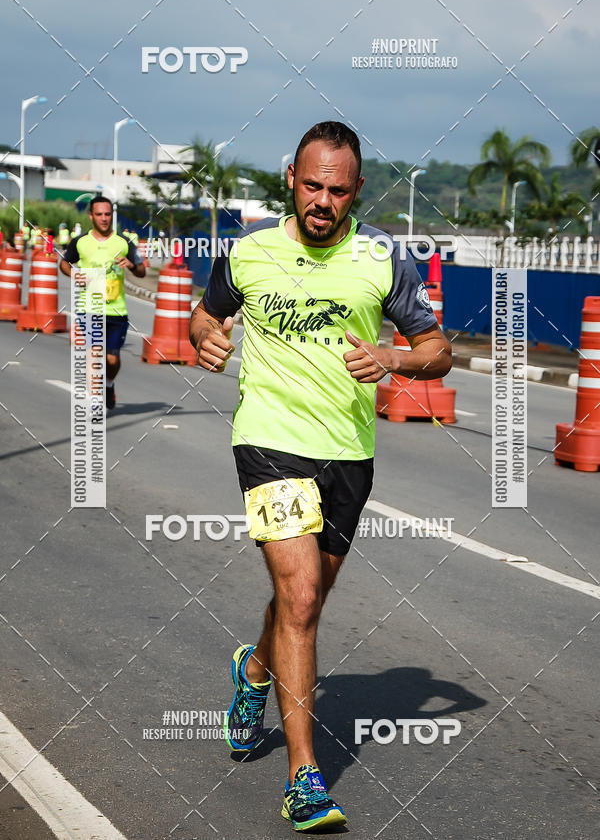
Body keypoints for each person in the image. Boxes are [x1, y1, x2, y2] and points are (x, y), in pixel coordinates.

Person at [189, 121, 452, 832]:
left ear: (357, 191)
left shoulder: (380, 260)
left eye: (338, 190)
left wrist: (395, 362)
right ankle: (304, 777)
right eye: (312, 185)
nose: (323, 201)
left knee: (306, 599)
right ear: (291, 180)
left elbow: (438, 350)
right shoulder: (248, 253)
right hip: (268, 442)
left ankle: (253, 672)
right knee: (301, 596)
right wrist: (204, 339)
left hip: (348, 455)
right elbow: (203, 316)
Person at [59, 196, 145, 409]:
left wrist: (132, 266)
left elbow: (143, 270)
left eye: (107, 214)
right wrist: (74, 274)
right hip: (90, 308)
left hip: (117, 310)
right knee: (94, 354)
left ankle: (109, 385)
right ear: (91, 216)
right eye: (99, 214)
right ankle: (95, 401)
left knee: (112, 359)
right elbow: (64, 263)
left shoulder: (124, 243)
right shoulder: (80, 242)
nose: (104, 218)